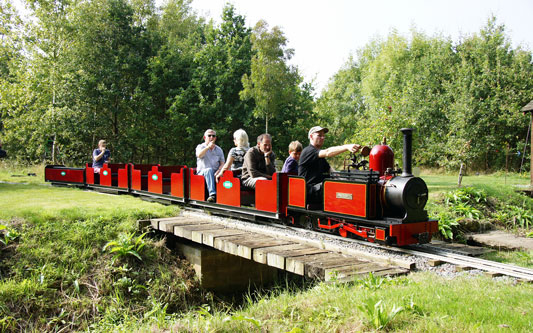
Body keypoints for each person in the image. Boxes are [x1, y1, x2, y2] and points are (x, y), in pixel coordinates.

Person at [298, 126, 361, 205]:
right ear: (311, 136)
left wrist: (345, 181)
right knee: (333, 186)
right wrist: (346, 147)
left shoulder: (320, 157)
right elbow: (328, 152)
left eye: (323, 135)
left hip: (319, 190)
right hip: (310, 192)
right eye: (319, 135)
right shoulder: (308, 151)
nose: (323, 137)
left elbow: (332, 171)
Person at [196, 129, 225, 202]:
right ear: (205, 137)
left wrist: (219, 171)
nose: (211, 137)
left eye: (213, 136)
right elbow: (199, 155)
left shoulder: (219, 149)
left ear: (215, 138)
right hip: (201, 173)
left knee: (226, 172)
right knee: (209, 170)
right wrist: (208, 147)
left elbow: (222, 163)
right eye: (209, 135)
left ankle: (227, 197)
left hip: (215, 172)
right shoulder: (200, 147)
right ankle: (213, 195)